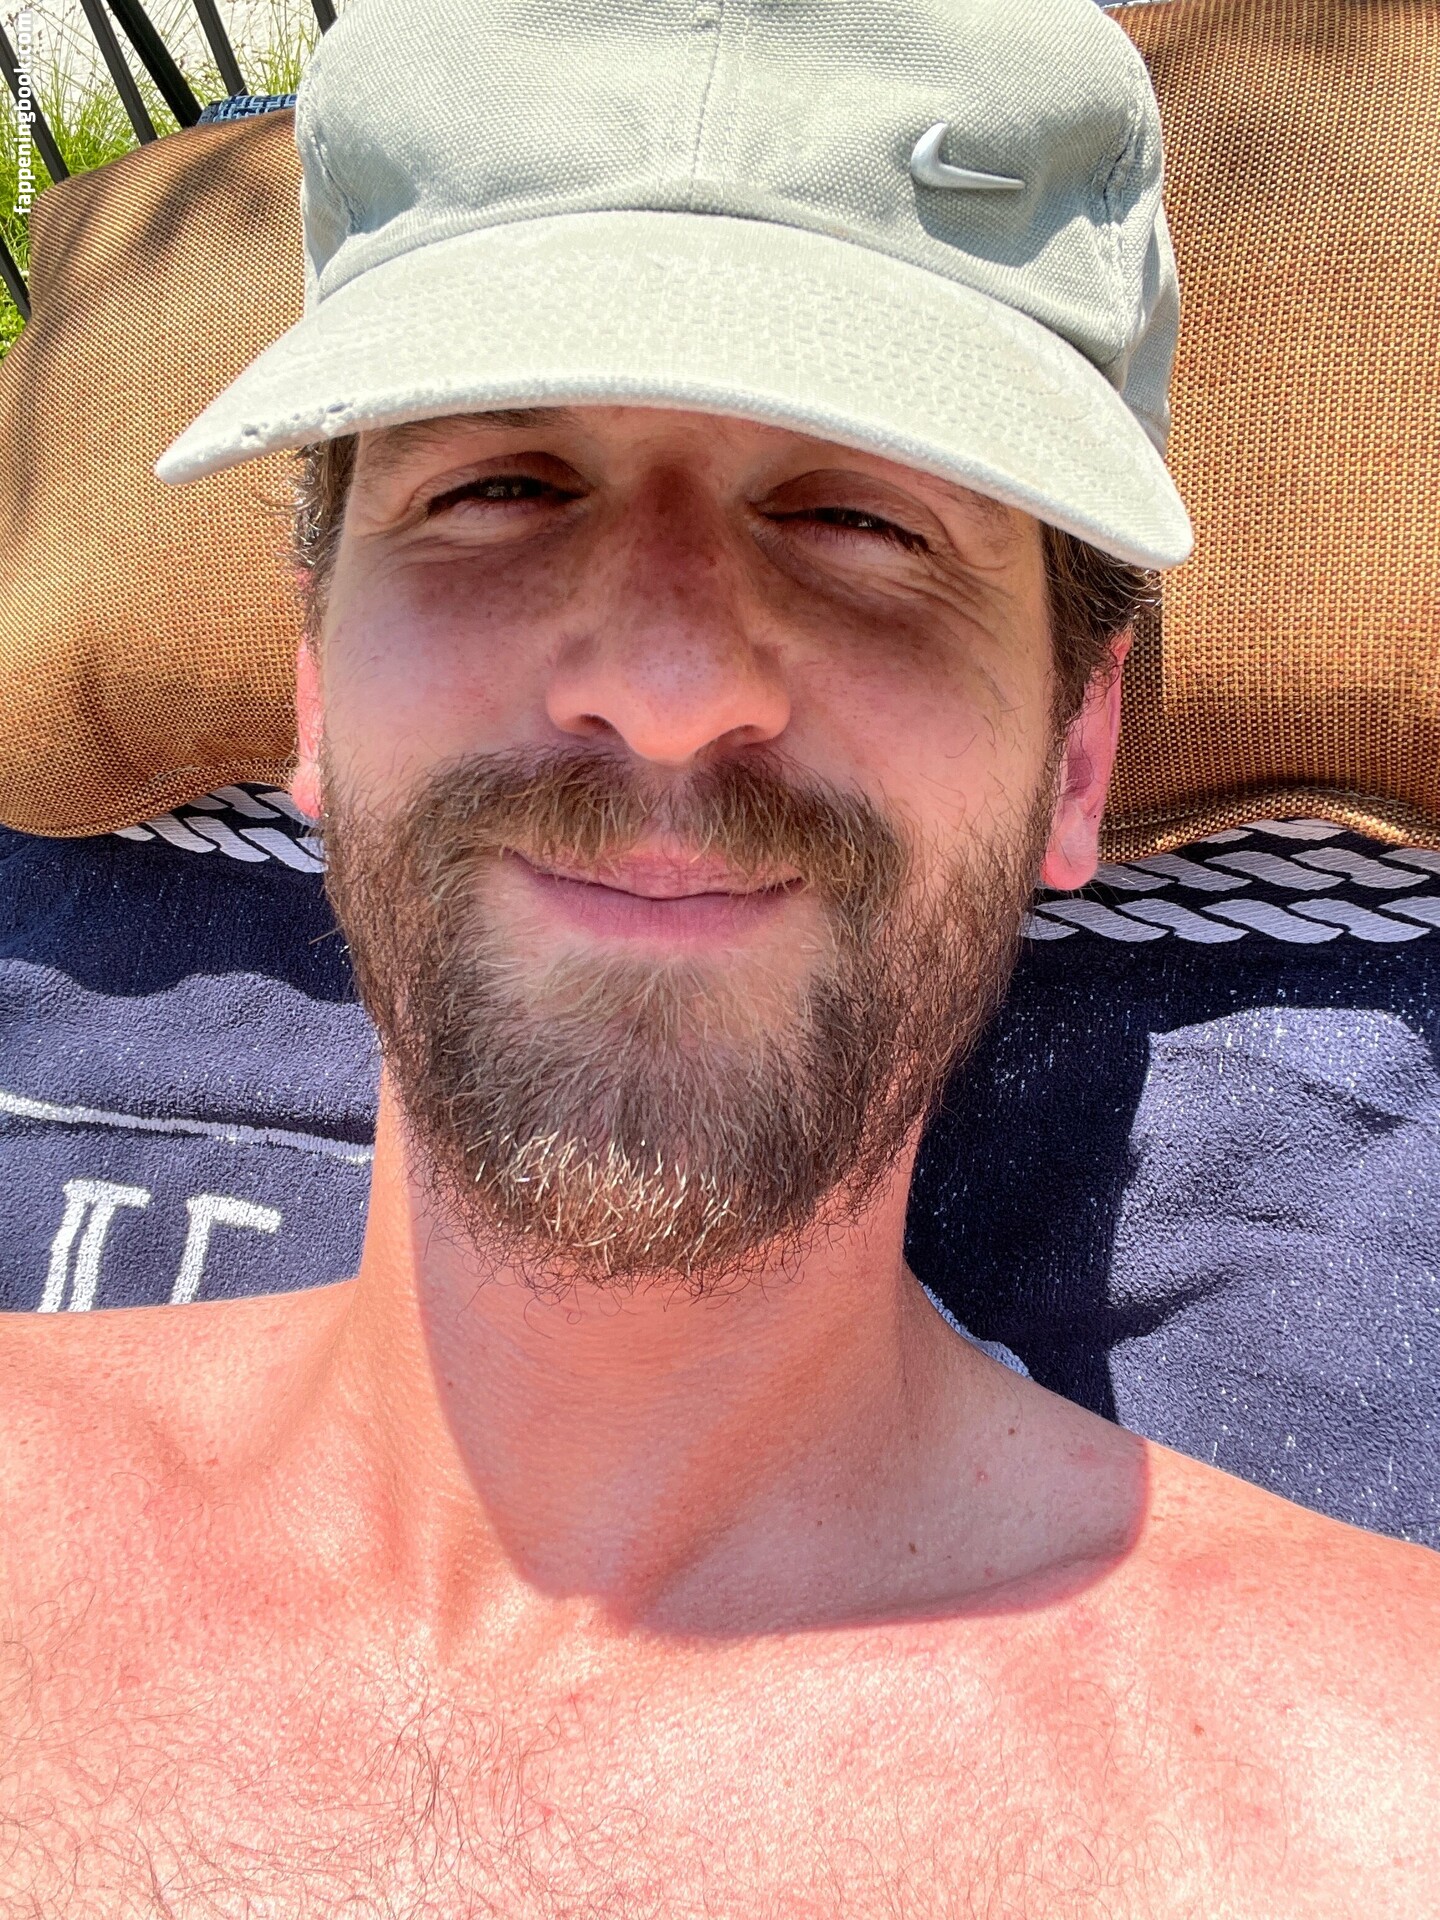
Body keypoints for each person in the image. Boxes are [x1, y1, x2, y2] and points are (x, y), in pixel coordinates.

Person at [6, 0, 1436, 1910]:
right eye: (502, 487)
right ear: (315, 689)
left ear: (1076, 756)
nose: (669, 685)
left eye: (858, 518)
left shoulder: (1361, 1806)